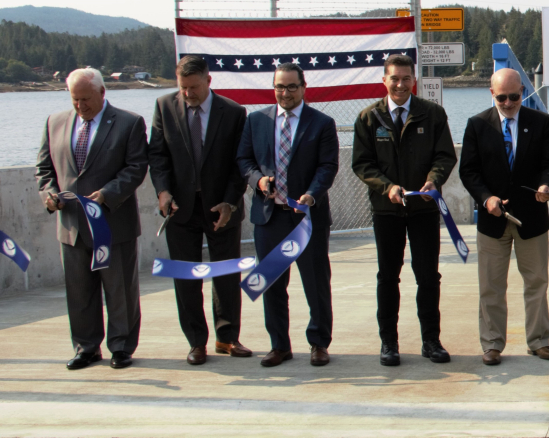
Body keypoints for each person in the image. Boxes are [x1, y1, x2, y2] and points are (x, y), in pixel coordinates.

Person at [36, 68, 148, 370]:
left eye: (86, 99)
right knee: (79, 292)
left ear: (102, 93)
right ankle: (86, 347)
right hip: (71, 226)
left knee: (120, 290)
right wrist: (49, 193)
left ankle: (121, 347)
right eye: (74, 99)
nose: (80, 106)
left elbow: (136, 167)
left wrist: (107, 194)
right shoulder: (54, 122)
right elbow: (44, 169)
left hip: (113, 224)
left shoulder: (129, 123)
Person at [351, 54, 457, 366]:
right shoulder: (369, 118)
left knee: (428, 277)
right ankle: (389, 343)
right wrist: (387, 187)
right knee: (388, 277)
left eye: (406, 78)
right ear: (384, 80)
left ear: (414, 80)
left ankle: (431, 341)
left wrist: (433, 180)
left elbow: (445, 156)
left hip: (424, 209)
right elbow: (363, 164)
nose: (400, 84)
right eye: (394, 79)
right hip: (387, 211)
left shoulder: (432, 114)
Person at [148, 55, 252, 365]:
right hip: (180, 209)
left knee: (226, 275)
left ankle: (227, 337)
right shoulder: (164, 107)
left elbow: (240, 163)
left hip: (221, 208)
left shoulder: (233, 112)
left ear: (208, 80)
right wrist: (163, 191)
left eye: (194, 87)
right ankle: (196, 342)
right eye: (183, 87)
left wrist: (230, 202)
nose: (188, 93)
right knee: (186, 278)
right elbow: (158, 156)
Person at [236, 63, 339, 367]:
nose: (286, 93)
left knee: (315, 283)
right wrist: (258, 181)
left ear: (303, 88)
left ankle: (319, 343)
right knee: (271, 284)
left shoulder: (322, 123)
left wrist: (311, 194)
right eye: (280, 86)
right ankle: (279, 345)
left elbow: (328, 166)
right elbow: (244, 160)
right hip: (269, 217)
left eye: (292, 86)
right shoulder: (256, 120)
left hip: (307, 219)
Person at [458, 68, 549, 366]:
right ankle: (492, 344)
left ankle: (539, 341)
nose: (508, 103)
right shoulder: (477, 124)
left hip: (532, 218)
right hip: (492, 220)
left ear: (522, 93)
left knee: (537, 282)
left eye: (514, 97)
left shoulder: (541, 122)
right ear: (492, 93)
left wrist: (546, 185)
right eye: (501, 97)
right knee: (491, 285)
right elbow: (468, 171)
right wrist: (486, 198)